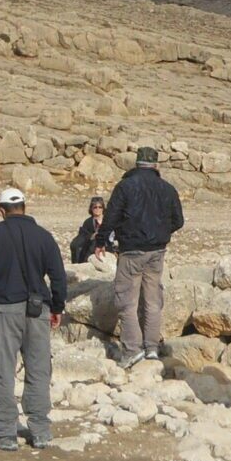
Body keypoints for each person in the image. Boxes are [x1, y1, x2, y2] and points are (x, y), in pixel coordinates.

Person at [0, 188, 67, 451]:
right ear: (24, 207)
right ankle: (41, 430)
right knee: (38, 368)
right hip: (38, 311)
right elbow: (58, 275)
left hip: (5, 309)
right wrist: (57, 307)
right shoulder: (44, 236)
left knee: (1, 368)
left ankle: (6, 434)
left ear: (2, 210)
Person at [95, 146, 185, 367]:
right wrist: (161, 233)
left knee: (127, 302)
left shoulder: (125, 187)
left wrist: (100, 241)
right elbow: (179, 221)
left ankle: (132, 350)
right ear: (155, 165)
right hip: (157, 252)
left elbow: (111, 217)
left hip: (131, 251)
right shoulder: (168, 188)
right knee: (153, 301)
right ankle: (152, 348)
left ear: (136, 163)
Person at [69, 196, 114, 264]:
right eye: (95, 207)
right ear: (91, 209)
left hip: (107, 246)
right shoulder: (88, 222)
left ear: (103, 208)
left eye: (100, 207)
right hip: (90, 248)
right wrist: (92, 236)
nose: (97, 209)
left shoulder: (109, 221)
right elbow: (82, 236)